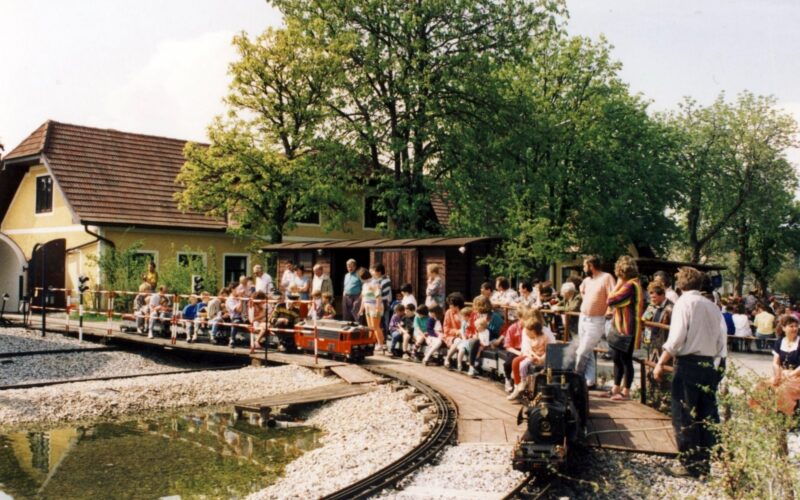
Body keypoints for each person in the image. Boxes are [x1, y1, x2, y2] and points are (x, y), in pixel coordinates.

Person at [654, 266, 727, 478]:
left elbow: (676, 339)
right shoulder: (712, 306)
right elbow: (722, 340)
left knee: (684, 413)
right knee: (706, 413)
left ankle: (688, 464)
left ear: (680, 284)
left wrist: (660, 362)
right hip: (709, 363)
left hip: (688, 363)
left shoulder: (683, 303)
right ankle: (705, 461)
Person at [604, 256, 645, 401]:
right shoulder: (632, 283)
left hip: (627, 328)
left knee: (625, 360)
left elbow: (611, 300)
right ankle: (616, 388)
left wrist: (618, 283)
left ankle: (626, 392)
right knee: (617, 358)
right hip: (621, 327)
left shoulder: (629, 285)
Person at [575, 256, 616, 388]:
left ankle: (576, 378)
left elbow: (613, 295)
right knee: (588, 351)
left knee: (582, 351)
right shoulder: (587, 280)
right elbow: (581, 290)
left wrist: (610, 309)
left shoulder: (607, 277)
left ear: (591, 265)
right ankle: (590, 381)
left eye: (584, 265)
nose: (583, 268)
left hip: (596, 320)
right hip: (583, 317)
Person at [508, 315, 553, 400]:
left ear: (534, 331)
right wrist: (534, 356)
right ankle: (523, 381)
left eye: (529, 333)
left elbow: (549, 349)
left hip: (542, 357)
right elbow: (529, 350)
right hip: (533, 356)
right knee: (522, 364)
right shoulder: (530, 337)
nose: (527, 334)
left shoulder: (545, 336)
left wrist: (541, 358)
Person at [771, 314, 800, 415]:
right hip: (783, 374)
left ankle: (787, 418)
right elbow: (775, 362)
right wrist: (778, 374)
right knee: (764, 385)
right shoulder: (779, 342)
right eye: (791, 326)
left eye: (796, 326)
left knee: (784, 389)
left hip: (797, 375)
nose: (795, 328)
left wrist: (790, 375)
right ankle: (769, 416)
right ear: (783, 328)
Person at [358, 267, 385, 353]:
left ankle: (380, 344)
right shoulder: (364, 285)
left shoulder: (374, 282)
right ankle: (372, 342)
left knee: (376, 327)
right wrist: (361, 309)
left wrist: (377, 308)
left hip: (374, 306)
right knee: (370, 327)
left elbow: (378, 296)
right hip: (367, 307)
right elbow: (363, 298)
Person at [642, 281, 674, 355]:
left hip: (665, 344)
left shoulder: (670, 308)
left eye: (654, 297)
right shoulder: (652, 306)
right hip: (653, 344)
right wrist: (647, 341)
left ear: (662, 295)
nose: (652, 300)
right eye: (651, 298)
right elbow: (645, 321)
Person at [500, 307, 527, 392]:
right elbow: (508, 346)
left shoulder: (531, 327)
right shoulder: (512, 328)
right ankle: (508, 379)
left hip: (528, 349)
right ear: (519, 317)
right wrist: (519, 353)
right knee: (508, 363)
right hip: (515, 349)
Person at [442, 292, 464, 367]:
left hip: (464, 336)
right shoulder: (448, 312)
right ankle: (447, 358)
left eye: (450, 304)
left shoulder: (464, 313)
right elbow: (446, 329)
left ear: (456, 305)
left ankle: (460, 363)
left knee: (462, 343)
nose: (449, 306)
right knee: (458, 341)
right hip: (450, 336)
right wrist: (457, 332)